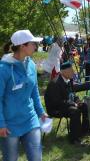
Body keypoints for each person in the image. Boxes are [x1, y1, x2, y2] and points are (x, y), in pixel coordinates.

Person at [0, 30, 47, 161]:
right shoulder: (3, 70)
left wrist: (40, 112)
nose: (36, 47)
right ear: (22, 46)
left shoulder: (31, 65)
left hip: (30, 120)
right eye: (33, 44)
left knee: (36, 158)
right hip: (9, 125)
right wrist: (1, 123)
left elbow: (34, 91)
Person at [44, 62, 89, 144]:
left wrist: (77, 100)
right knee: (75, 111)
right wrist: (72, 104)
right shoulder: (55, 83)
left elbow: (72, 93)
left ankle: (84, 131)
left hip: (65, 105)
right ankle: (74, 139)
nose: (73, 72)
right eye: (71, 71)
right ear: (63, 72)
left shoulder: (69, 80)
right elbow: (56, 102)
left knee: (84, 106)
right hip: (56, 108)